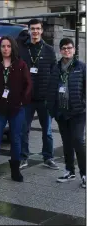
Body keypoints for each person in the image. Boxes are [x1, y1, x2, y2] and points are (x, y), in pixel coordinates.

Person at [0, 36, 32, 182]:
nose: (6, 49)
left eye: (8, 46)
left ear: (13, 48)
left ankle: (15, 170)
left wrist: (23, 100)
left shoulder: (21, 65)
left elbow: (28, 84)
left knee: (16, 140)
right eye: (3, 46)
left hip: (16, 109)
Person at [18, 19, 59, 170]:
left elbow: (55, 74)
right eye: (32, 29)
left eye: (37, 29)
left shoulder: (48, 50)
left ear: (41, 31)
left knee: (47, 131)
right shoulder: (22, 49)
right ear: (28, 30)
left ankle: (48, 157)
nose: (35, 31)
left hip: (44, 99)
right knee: (24, 130)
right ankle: (23, 157)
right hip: (27, 98)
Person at [46, 38, 86, 188]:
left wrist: (83, 104)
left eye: (69, 48)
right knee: (67, 143)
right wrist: (52, 110)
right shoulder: (56, 68)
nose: (67, 50)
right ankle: (70, 171)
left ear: (74, 50)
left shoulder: (81, 67)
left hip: (78, 112)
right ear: (60, 50)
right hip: (62, 113)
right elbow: (50, 91)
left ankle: (84, 173)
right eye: (64, 48)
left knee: (78, 140)